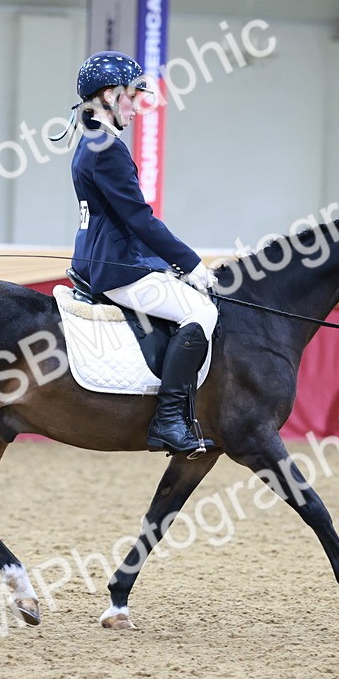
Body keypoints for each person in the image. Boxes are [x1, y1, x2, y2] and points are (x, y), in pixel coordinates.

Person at [68, 51, 218, 458]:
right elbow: (139, 219)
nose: (135, 108)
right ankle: (170, 420)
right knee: (202, 312)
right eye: (132, 98)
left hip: (103, 261)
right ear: (110, 94)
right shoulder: (107, 149)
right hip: (117, 270)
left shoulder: (91, 141)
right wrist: (189, 263)